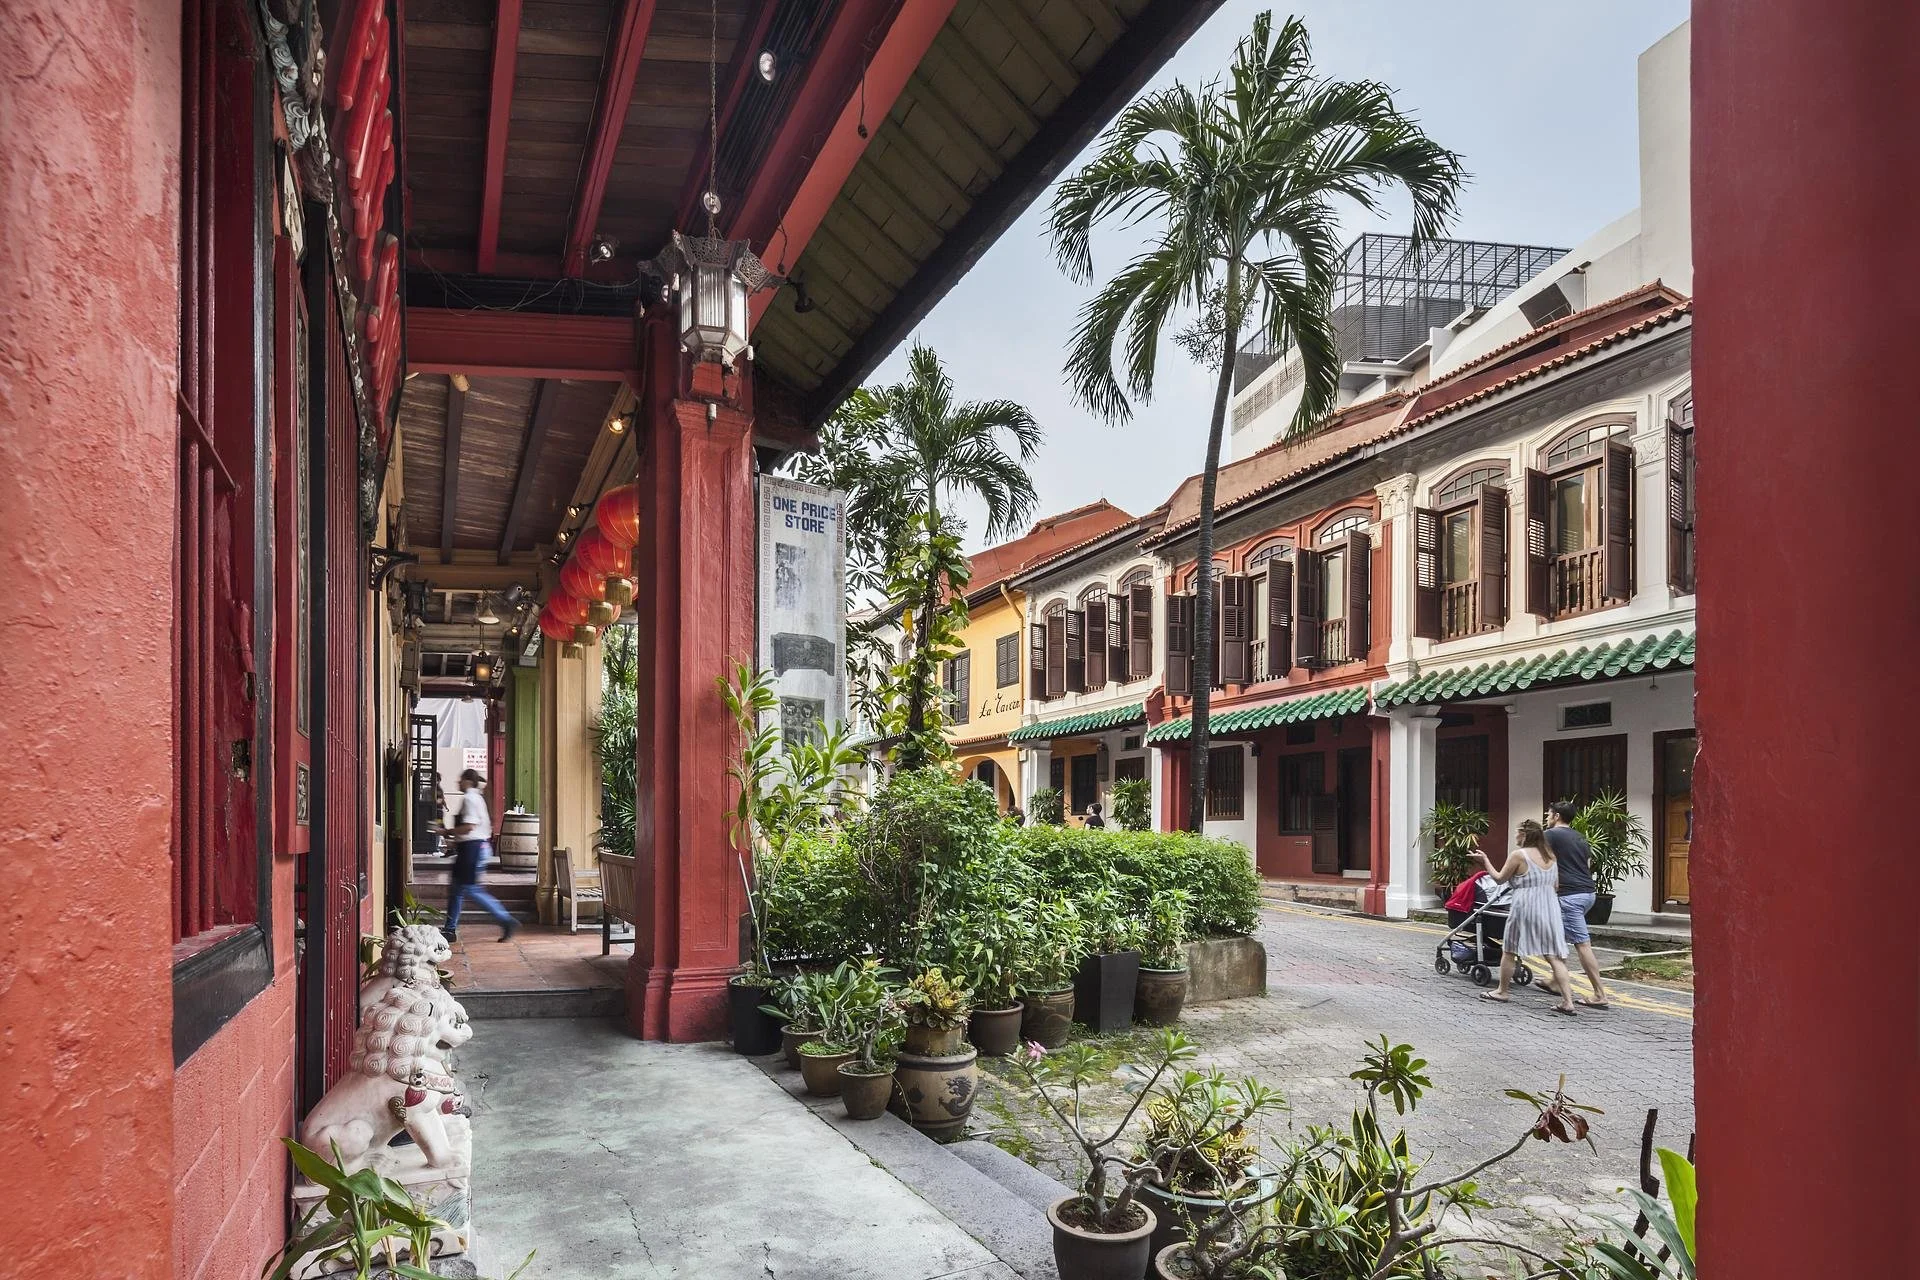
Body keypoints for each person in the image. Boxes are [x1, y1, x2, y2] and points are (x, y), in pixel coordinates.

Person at [1469, 820, 1576, 1014]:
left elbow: (1500, 878)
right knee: (1553, 955)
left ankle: (1502, 991)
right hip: (1549, 906)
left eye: (1518, 833)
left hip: (1524, 905)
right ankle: (1568, 1001)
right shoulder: (1550, 855)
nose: (1516, 837)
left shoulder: (1519, 855)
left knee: (1509, 949)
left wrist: (1484, 861)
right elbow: (1556, 885)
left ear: (1525, 835)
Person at [1545, 801, 1612, 1009]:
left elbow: (1540, 861)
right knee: (1556, 938)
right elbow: (1588, 864)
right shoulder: (1580, 837)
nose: (1547, 818)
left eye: (1548, 814)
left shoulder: (1550, 835)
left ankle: (1599, 994)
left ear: (1556, 816)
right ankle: (1556, 981)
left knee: (1582, 944)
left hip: (1569, 896)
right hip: (1588, 893)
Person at [445, 769, 516, 943]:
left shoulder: (470, 798)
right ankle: (449, 929)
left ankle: (505, 919)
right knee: (456, 889)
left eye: (461, 780)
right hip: (470, 847)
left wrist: (448, 831)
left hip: (472, 849)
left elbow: (469, 826)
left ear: (468, 781)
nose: (458, 783)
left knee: (470, 888)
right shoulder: (476, 798)